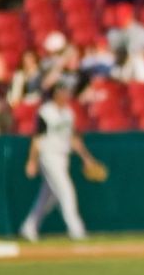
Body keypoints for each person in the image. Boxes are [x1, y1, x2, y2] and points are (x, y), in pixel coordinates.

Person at [19, 82, 102, 242]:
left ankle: (29, 227)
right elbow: (37, 137)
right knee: (66, 190)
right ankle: (76, 230)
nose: (66, 96)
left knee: (48, 197)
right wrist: (32, 161)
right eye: (63, 92)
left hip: (63, 156)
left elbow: (73, 139)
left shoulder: (68, 113)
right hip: (48, 155)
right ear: (55, 94)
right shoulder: (46, 112)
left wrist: (87, 158)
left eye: (67, 93)